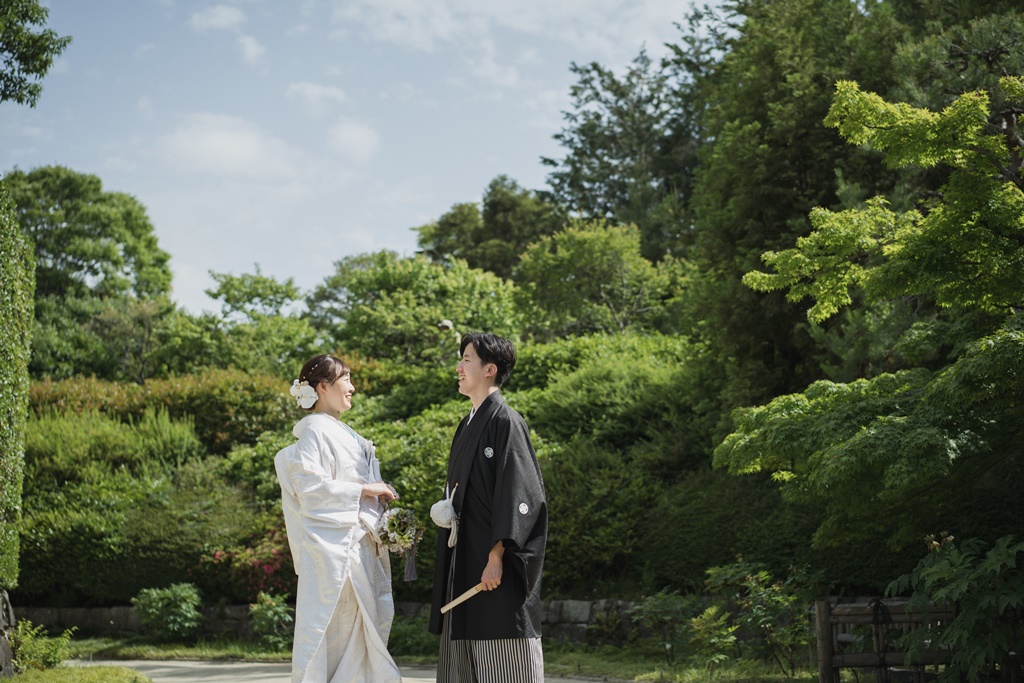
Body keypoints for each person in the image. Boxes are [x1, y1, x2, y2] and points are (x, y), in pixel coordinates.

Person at [274, 354, 403, 683]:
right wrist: (363, 490)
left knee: (362, 633)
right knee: (341, 634)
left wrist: (382, 509)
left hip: (358, 546)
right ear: (323, 386)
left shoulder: (344, 432)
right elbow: (310, 488)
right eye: (345, 379)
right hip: (338, 550)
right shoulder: (315, 431)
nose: (352, 387)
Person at [428, 333, 547, 682]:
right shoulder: (466, 424)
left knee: (502, 656)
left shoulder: (506, 421)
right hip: (463, 560)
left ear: (490, 369)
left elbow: (521, 493)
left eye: (466, 359)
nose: (459, 366)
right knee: (462, 659)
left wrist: (497, 553)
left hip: (493, 566)